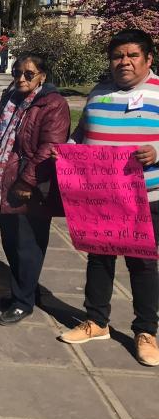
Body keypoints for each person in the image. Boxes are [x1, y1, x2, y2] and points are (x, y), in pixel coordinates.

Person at [57, 29, 159, 366]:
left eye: (132, 55)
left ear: (148, 59)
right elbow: (81, 134)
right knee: (99, 260)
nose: (124, 62)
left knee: (143, 266)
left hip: (146, 198)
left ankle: (145, 332)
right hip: (100, 197)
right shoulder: (98, 92)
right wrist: (67, 153)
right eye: (118, 56)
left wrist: (156, 152)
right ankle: (97, 322)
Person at [0, 53, 70, 326]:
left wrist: (27, 182)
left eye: (28, 74)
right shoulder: (12, 97)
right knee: (12, 243)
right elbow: (0, 139)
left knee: (27, 245)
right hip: (5, 181)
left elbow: (49, 148)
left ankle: (22, 302)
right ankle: (26, 290)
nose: (20, 78)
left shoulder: (53, 104)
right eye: (17, 72)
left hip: (32, 186)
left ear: (42, 76)